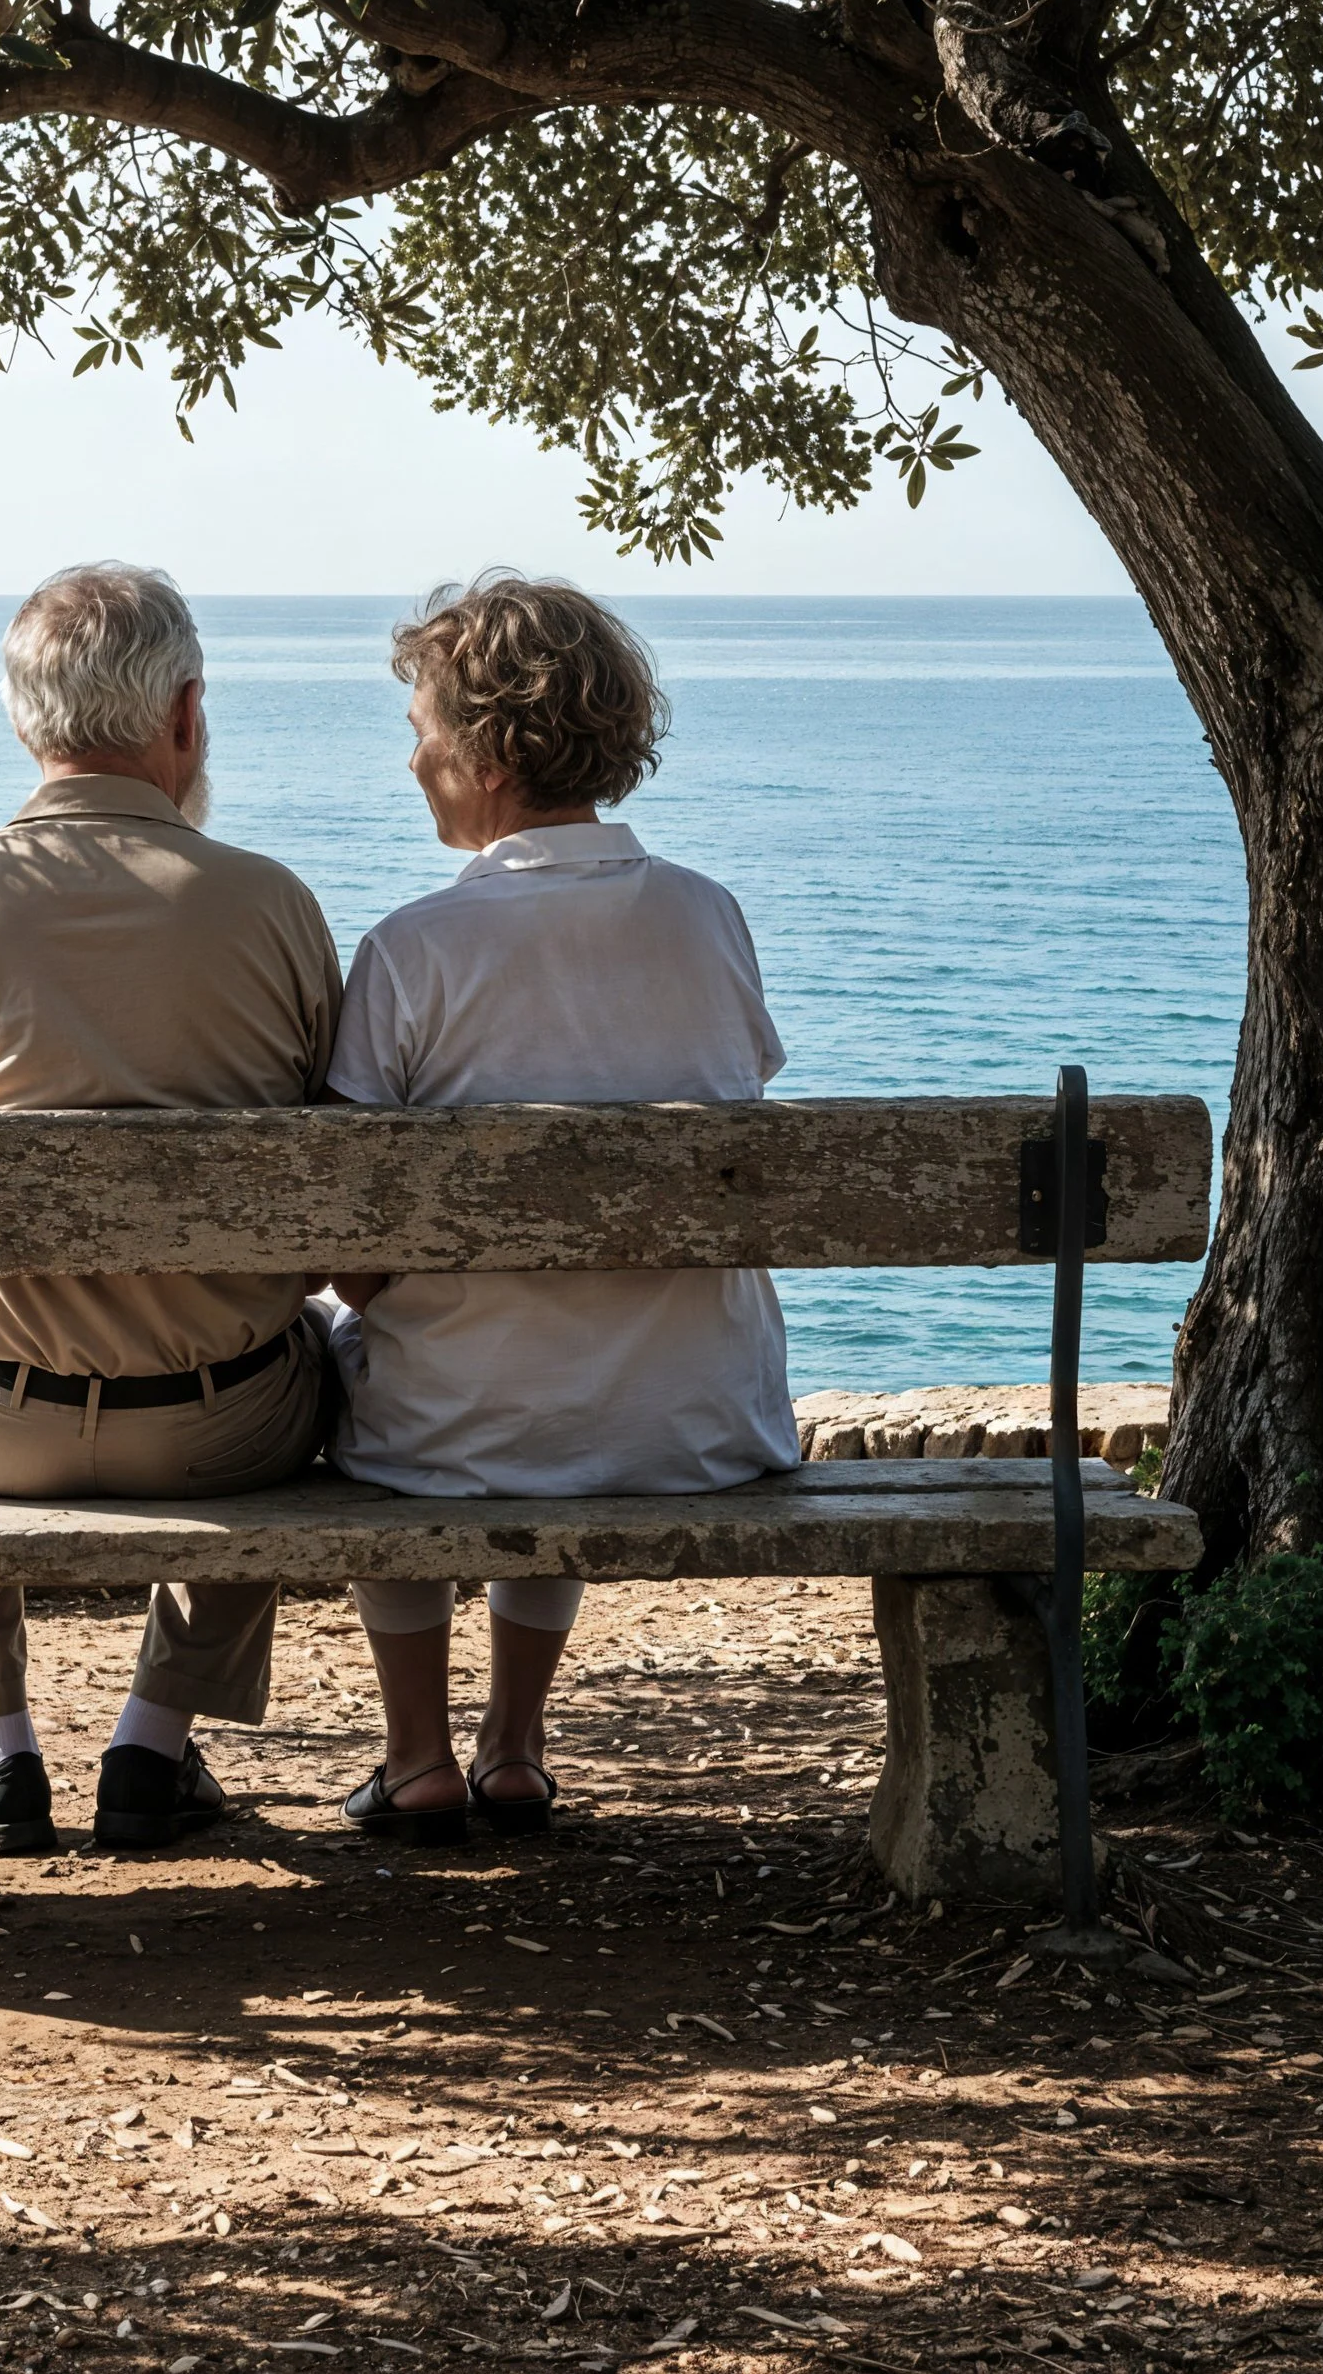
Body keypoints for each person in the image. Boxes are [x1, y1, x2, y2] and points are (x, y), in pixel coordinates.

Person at [0, 562, 340, 1858]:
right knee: (315, 1361)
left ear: (25, 720)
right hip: (228, 1423)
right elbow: (341, 1190)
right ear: (186, 713)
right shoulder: (274, 905)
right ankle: (153, 1742)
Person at [324, 574, 798, 1841]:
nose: (411, 751)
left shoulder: (412, 948)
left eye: (423, 723)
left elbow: (356, 1257)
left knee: (375, 1366)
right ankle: (516, 1744)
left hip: (459, 1433)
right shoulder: (710, 917)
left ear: (484, 750)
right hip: (694, 1418)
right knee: (596, 1334)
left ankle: (418, 1753)